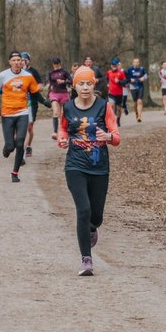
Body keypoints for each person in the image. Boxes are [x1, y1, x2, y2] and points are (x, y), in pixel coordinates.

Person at [57, 66, 120, 276]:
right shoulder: (67, 108)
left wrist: (109, 137)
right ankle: (86, 260)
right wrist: (62, 140)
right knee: (83, 210)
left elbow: (116, 136)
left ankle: (92, 227)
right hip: (75, 166)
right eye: (81, 84)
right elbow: (64, 129)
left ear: (94, 84)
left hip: (99, 166)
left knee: (96, 216)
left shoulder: (104, 106)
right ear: (74, 86)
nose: (85, 87)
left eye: (89, 83)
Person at [0, 50, 50, 183]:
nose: (17, 63)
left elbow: (35, 93)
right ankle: (7, 149)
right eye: (14, 60)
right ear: (10, 62)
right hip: (7, 114)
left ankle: (15, 173)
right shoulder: (3, 75)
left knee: (20, 141)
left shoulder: (28, 76)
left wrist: (45, 102)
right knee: (10, 146)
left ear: (22, 62)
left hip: (22, 112)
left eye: (19, 60)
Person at [21, 52, 43, 158]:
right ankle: (21, 150)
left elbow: (41, 85)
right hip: (20, 103)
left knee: (29, 128)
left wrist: (34, 88)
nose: (24, 61)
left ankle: (28, 145)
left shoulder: (33, 72)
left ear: (29, 60)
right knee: (21, 128)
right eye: (22, 59)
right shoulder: (16, 73)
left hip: (32, 103)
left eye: (26, 59)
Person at [46, 57, 72, 139]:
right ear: (53, 65)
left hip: (64, 93)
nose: (56, 66)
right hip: (54, 93)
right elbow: (50, 82)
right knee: (56, 112)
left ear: (60, 64)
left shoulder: (64, 72)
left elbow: (71, 81)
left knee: (63, 114)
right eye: (54, 64)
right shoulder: (51, 73)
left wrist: (63, 81)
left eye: (57, 64)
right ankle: (54, 132)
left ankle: (63, 131)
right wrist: (48, 87)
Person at [105, 58, 128, 124]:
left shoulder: (121, 73)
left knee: (119, 108)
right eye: (112, 65)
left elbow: (125, 81)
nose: (113, 66)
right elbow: (106, 78)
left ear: (117, 65)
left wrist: (119, 81)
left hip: (119, 93)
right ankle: (112, 120)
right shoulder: (109, 72)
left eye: (115, 65)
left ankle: (118, 119)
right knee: (111, 105)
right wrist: (107, 83)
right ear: (111, 65)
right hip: (111, 92)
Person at [125, 57, 148, 122]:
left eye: (137, 62)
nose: (136, 63)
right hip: (133, 87)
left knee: (140, 101)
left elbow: (146, 76)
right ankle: (136, 113)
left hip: (140, 87)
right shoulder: (129, 69)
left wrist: (143, 78)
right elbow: (126, 78)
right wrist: (130, 80)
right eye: (135, 62)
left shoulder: (142, 69)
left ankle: (139, 116)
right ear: (133, 63)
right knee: (135, 103)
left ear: (139, 63)